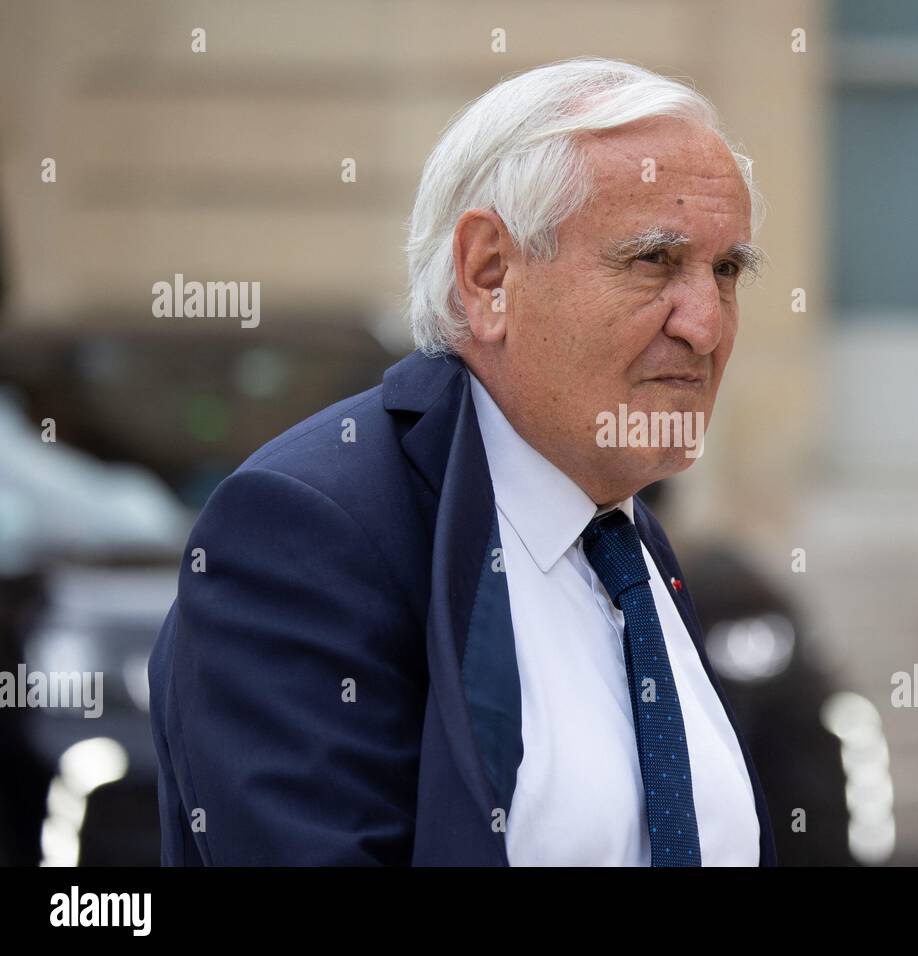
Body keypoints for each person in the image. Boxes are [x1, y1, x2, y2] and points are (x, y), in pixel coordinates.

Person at [148, 56, 776, 866]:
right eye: (652, 261)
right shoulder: (306, 530)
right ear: (488, 276)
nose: (706, 325)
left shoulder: (629, 540)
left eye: (725, 271)